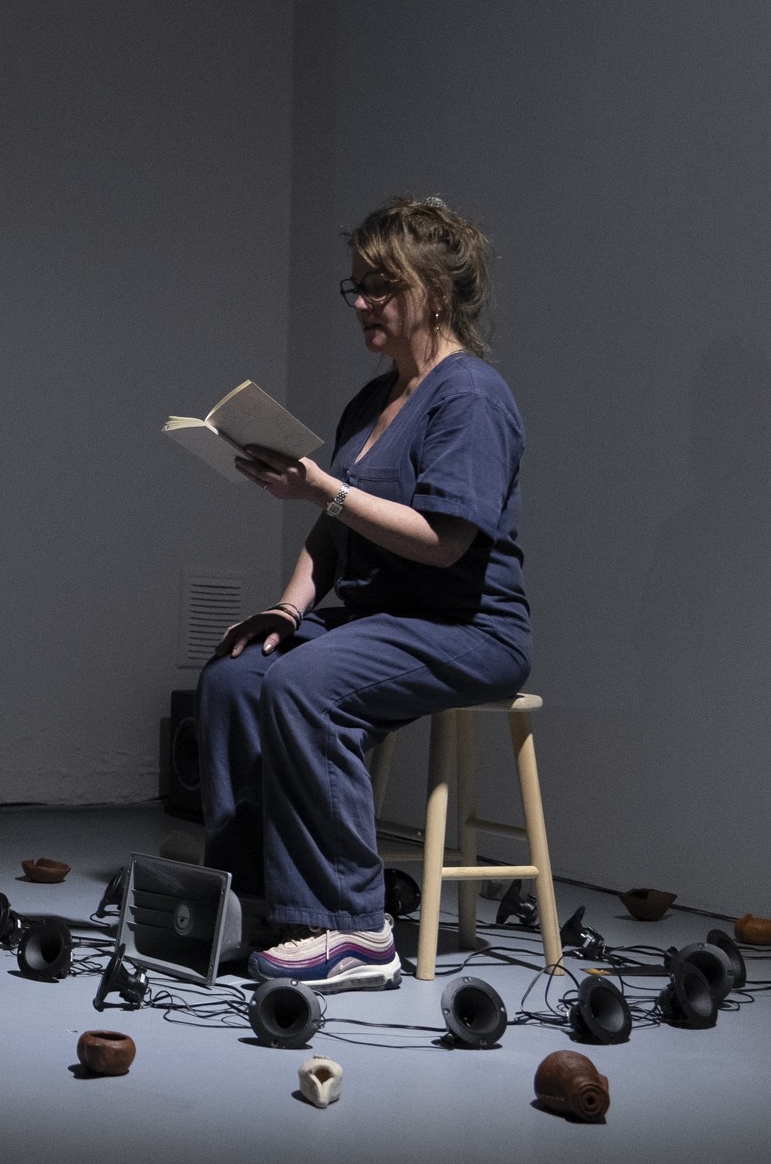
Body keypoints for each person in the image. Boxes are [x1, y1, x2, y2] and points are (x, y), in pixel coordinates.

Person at [196, 196, 530, 992]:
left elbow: (443, 540)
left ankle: (354, 924)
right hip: (380, 619)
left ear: (435, 294)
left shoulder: (471, 395)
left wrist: (326, 490)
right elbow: (335, 530)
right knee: (236, 673)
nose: (364, 304)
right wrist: (288, 608)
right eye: (357, 287)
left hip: (467, 625)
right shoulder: (371, 401)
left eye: (382, 286)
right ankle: (259, 902)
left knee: (305, 682)